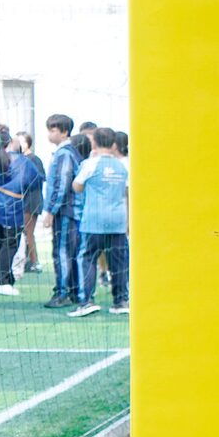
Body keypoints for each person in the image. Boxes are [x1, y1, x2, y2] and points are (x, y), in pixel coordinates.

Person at [72, 127, 129, 317]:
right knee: (118, 262)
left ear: (94, 143)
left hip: (94, 219)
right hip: (118, 220)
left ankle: (86, 301)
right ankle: (120, 301)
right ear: (114, 144)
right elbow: (128, 193)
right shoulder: (124, 166)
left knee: (88, 258)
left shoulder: (90, 164)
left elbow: (77, 186)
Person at [40, 115, 81, 308]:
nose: (49, 134)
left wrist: (50, 210)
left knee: (62, 252)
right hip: (69, 210)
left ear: (64, 132)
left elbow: (62, 184)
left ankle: (63, 292)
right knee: (69, 252)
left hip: (66, 211)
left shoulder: (64, 154)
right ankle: (73, 291)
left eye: (53, 130)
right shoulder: (68, 152)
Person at [0, 126, 30, 296]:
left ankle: (5, 278)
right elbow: (33, 180)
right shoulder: (21, 160)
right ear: (10, 142)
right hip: (13, 208)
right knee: (11, 243)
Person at [17, 131, 46, 273]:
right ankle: (29, 261)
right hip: (24, 200)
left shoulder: (33, 159)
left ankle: (35, 262)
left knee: (28, 231)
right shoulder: (20, 158)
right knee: (24, 231)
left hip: (31, 200)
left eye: (21, 141)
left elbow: (39, 178)